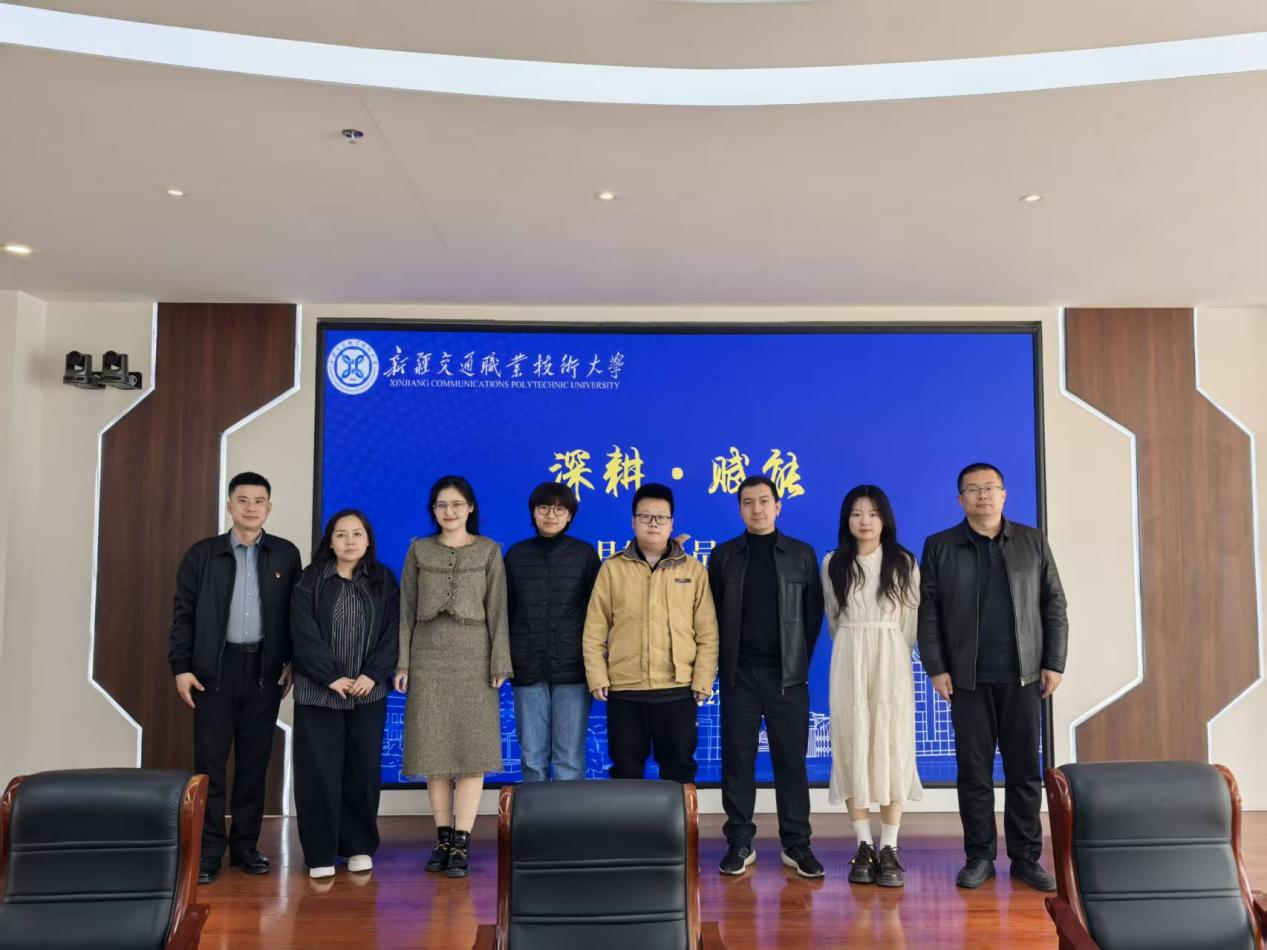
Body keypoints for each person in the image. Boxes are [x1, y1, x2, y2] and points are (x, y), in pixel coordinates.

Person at [917, 462, 1068, 891]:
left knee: (1024, 772)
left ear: (1003, 495)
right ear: (960, 499)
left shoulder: (1032, 541)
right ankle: (979, 856)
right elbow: (928, 611)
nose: (982, 495)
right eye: (973, 489)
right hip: (967, 679)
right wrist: (936, 668)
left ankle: (1026, 857)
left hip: (1024, 676)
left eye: (990, 488)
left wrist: (1054, 662)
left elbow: (1054, 604)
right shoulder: (940, 546)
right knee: (974, 773)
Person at [167, 471, 302, 885]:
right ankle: (209, 850)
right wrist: (181, 667)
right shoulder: (202, 554)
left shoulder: (285, 555)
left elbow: (296, 616)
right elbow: (183, 614)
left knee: (254, 763)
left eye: (259, 501)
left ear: (269, 507)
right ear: (229, 506)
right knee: (210, 764)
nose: (250, 508)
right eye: (242, 500)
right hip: (213, 672)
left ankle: (245, 846)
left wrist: (292, 662)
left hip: (264, 671)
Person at [395, 475, 511, 878]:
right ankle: (442, 838)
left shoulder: (490, 551)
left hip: (474, 660)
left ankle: (462, 841)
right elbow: (405, 609)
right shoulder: (418, 549)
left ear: (471, 508)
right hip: (427, 659)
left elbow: (498, 611)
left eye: (457, 504)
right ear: (433, 510)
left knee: (472, 752)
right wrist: (403, 664)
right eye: (442, 505)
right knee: (435, 753)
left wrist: (499, 663)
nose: (449, 511)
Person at [708, 475, 825, 878]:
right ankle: (740, 842)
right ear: (740, 509)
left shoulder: (801, 555)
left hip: (786, 678)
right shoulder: (724, 556)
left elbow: (812, 616)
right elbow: (712, 615)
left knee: (790, 763)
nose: (756, 509)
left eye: (763, 501)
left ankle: (797, 843)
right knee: (737, 762)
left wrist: (795, 664)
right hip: (739, 676)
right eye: (747, 502)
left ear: (778, 506)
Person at [583, 483, 719, 784]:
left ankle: (680, 819)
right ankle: (630, 819)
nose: (653, 523)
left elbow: (708, 633)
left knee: (680, 770)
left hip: (678, 690)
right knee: (626, 772)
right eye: (645, 516)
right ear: (633, 521)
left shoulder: (693, 571)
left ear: (672, 523)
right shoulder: (613, 569)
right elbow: (594, 629)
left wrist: (702, 680)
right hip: (625, 690)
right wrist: (597, 676)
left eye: (661, 517)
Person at [290, 509, 400, 879]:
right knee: (318, 773)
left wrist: (373, 673)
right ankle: (320, 851)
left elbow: (393, 631)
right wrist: (331, 675)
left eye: (357, 534)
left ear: (368, 540)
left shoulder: (384, 580)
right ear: (330, 541)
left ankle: (359, 846)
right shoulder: (310, 579)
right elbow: (302, 631)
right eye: (341, 534)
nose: (349, 541)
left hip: (368, 692)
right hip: (318, 693)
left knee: (362, 771)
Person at [823, 485, 922, 888]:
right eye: (856, 514)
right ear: (846, 520)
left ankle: (890, 848)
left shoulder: (904, 562)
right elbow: (833, 617)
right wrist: (855, 645)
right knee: (852, 744)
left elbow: (910, 625)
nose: (864, 521)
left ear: (885, 519)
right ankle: (863, 846)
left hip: (891, 657)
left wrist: (889, 651)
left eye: (873, 514)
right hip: (848, 657)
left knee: (892, 746)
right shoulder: (833, 562)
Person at [504, 482, 601, 782]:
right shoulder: (516, 556)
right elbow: (504, 612)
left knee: (569, 757)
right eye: (544, 508)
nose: (551, 515)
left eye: (560, 509)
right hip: (527, 667)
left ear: (570, 515)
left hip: (573, 668)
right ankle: (535, 813)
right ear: (533, 512)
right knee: (532, 757)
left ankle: (569, 813)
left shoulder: (584, 555)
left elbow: (599, 613)